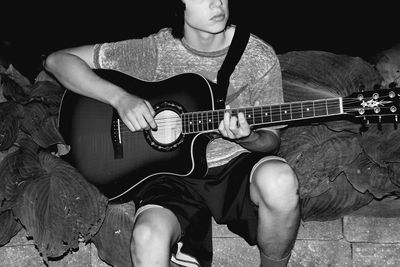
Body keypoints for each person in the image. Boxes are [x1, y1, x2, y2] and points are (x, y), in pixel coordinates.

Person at [44, 0, 301, 266]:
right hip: (169, 176)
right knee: (146, 237)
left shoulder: (257, 56)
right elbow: (57, 61)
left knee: (280, 182)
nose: (216, 3)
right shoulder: (156, 50)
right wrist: (119, 98)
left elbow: (271, 140)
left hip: (234, 166)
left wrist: (248, 138)